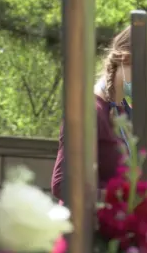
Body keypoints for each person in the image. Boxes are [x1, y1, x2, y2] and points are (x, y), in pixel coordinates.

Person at [51, 26, 132, 199]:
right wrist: (124, 199)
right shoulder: (88, 112)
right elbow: (62, 185)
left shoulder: (124, 112)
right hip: (89, 225)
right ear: (125, 59)